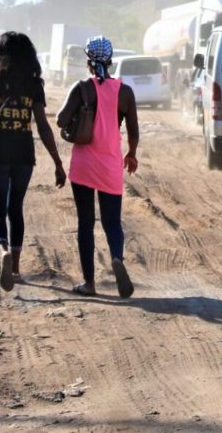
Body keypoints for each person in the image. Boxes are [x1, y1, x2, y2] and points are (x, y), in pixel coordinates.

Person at [0, 32, 66, 292]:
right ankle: (15, 268)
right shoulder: (34, 84)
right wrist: (58, 163)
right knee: (15, 209)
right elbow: (43, 126)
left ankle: (2, 250)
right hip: (24, 154)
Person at [57, 36, 139, 298]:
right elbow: (134, 131)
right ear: (111, 60)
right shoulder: (124, 92)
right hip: (111, 163)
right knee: (112, 222)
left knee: (85, 223)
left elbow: (60, 120)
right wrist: (132, 154)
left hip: (84, 164)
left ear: (88, 62)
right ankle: (116, 257)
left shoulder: (82, 87)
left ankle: (89, 283)